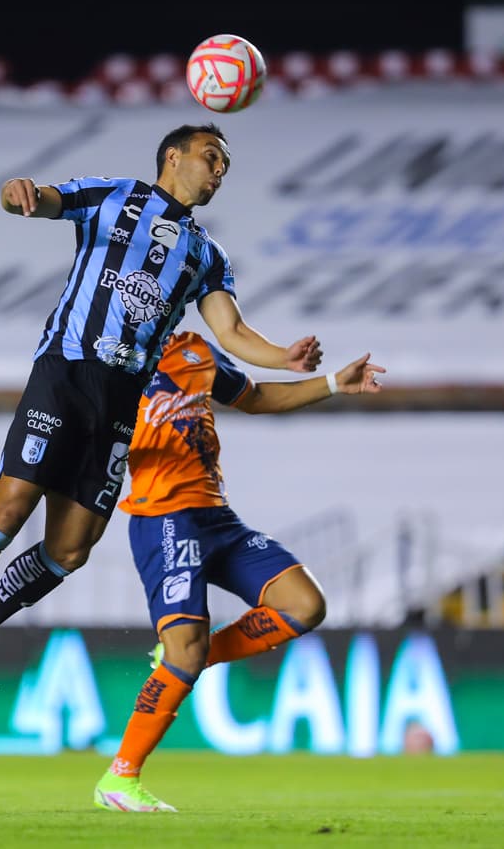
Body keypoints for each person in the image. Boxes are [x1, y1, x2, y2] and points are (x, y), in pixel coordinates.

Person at [0, 123, 324, 722]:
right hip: (67, 374)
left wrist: (283, 355)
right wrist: (16, 191)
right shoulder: (115, 198)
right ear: (172, 157)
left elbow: (231, 331)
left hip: (119, 405)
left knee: (69, 550)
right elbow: (40, 199)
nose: (219, 171)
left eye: (225, 165)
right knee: (9, 505)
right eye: (212, 158)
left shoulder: (206, 254)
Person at [90, 331, 384, 811]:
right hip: (164, 519)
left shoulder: (195, 350)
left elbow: (255, 396)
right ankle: (120, 778)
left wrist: (332, 383)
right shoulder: (107, 362)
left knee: (305, 604)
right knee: (182, 654)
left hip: (217, 517)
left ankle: (188, 659)